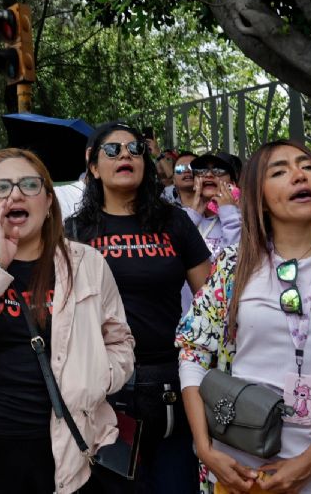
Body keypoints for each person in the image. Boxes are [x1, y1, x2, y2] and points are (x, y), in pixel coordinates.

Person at [0, 148, 134, 493]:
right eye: (1, 187)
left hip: (70, 448)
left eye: (29, 185)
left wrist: (98, 378)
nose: (16, 194)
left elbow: (119, 340)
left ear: (49, 201)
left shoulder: (87, 263)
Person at [177, 140, 311, 493]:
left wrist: (310, 461)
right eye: (280, 171)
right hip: (240, 462)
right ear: (259, 197)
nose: (299, 175)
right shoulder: (233, 264)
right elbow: (193, 351)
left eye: (306, 166)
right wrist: (205, 448)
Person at [68, 122, 211, 493]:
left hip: (172, 384)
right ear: (94, 167)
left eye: (134, 149)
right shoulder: (73, 231)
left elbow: (211, 302)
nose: (126, 155)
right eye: (112, 151)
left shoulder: (174, 222)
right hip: (103, 389)